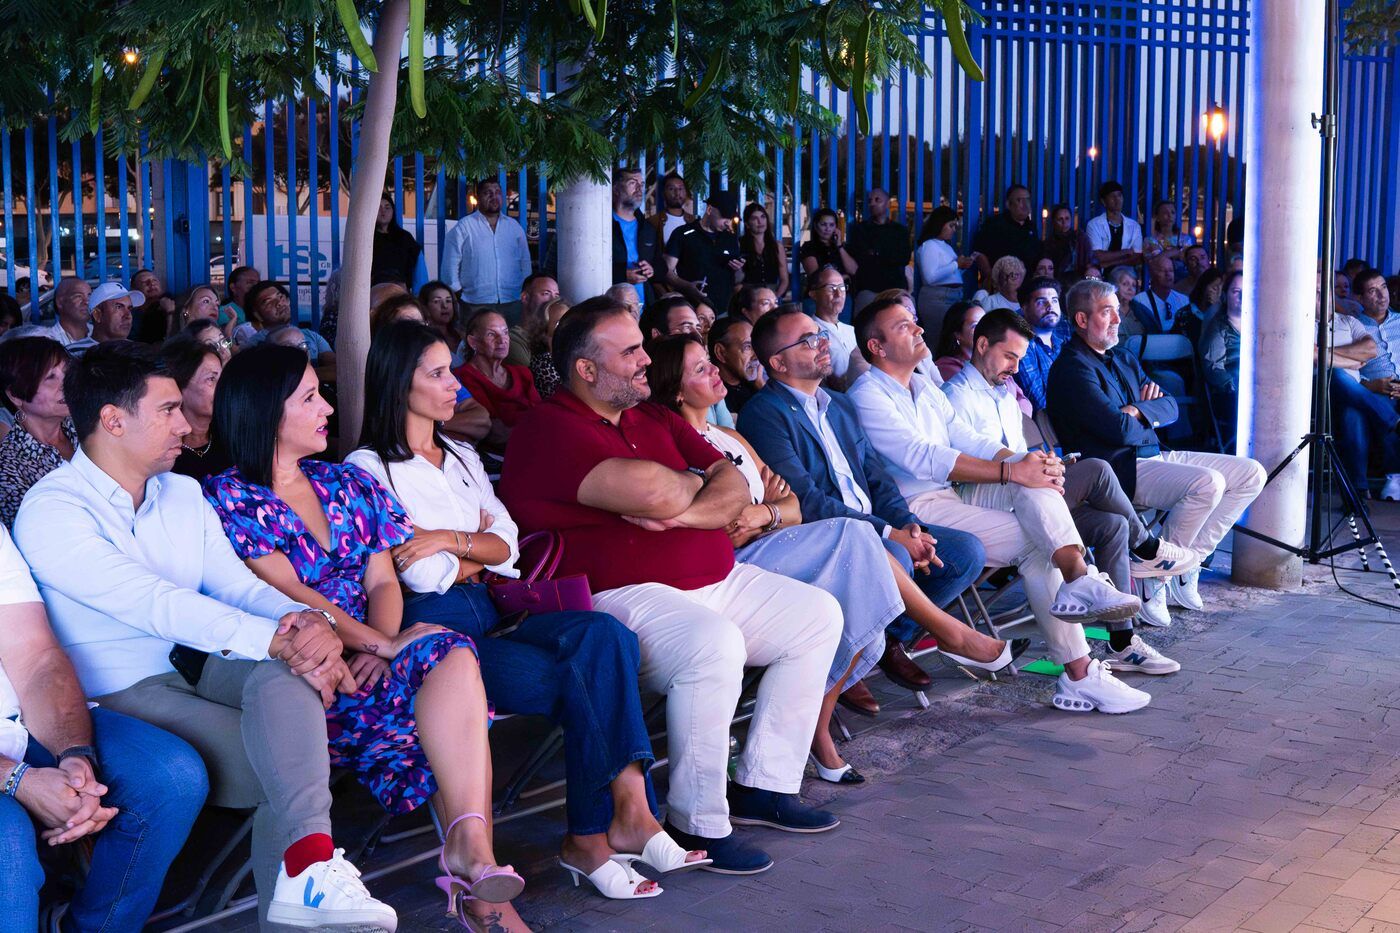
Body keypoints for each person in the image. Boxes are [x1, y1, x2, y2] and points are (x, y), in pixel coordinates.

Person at [12, 342, 397, 929]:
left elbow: (238, 586)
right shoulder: (53, 510)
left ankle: (310, 878)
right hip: (116, 691)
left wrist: (306, 625)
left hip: (198, 666)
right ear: (113, 420)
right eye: (168, 410)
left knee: (284, 693)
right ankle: (307, 883)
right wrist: (281, 639)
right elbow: (154, 604)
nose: (188, 423)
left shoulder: (183, 493)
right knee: (287, 764)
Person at [347, 321, 705, 900]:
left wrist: (447, 540)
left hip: (500, 609)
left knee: (604, 635)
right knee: (582, 678)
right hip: (442, 632)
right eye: (437, 374)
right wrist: (468, 545)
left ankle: (617, 822)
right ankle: (598, 836)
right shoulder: (369, 468)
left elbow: (511, 546)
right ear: (397, 384)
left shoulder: (461, 455)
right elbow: (417, 571)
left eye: (450, 372)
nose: (453, 387)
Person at [499, 296, 844, 876]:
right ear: (586, 370)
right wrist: (688, 486)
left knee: (816, 615)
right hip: (617, 597)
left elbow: (730, 478)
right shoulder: (548, 428)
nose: (643, 361)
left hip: (714, 577)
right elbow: (656, 492)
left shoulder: (650, 416)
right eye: (629, 351)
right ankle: (696, 818)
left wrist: (685, 510)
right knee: (713, 644)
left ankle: (763, 783)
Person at [205, 344, 529, 930]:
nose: (327, 406)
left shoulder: (345, 482)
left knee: (451, 652)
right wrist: (376, 646)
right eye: (309, 397)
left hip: (370, 656)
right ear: (263, 412)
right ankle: (485, 898)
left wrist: (384, 645)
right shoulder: (229, 496)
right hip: (310, 672)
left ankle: (472, 851)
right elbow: (290, 595)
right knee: (442, 706)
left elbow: (382, 577)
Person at [646, 334, 1012, 781]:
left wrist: (763, 512)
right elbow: (723, 524)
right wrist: (766, 514)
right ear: (676, 389)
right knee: (858, 540)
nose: (716, 371)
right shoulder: (670, 441)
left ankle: (819, 731)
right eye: (701, 368)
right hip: (739, 567)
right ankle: (950, 635)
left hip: (778, 544)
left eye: (710, 363)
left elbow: (792, 506)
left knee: (857, 593)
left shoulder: (729, 435)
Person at [849, 298, 1153, 714]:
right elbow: (921, 456)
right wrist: (1013, 472)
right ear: (877, 347)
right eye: (904, 327)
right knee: (1035, 529)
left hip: (950, 494)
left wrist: (1024, 463)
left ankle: (1080, 597)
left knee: (1038, 485)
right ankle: (1080, 667)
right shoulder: (866, 394)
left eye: (915, 322)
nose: (919, 330)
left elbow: (965, 439)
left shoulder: (923, 385)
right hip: (911, 508)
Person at [739, 307, 991, 700]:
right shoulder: (765, 413)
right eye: (807, 341)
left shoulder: (839, 403)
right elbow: (807, 500)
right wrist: (891, 534)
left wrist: (911, 526)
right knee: (897, 554)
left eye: (821, 336)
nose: (822, 345)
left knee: (966, 551)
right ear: (778, 362)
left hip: (873, 522)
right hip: (823, 535)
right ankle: (853, 659)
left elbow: (877, 477)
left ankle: (879, 644)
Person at [943, 308, 1193, 665]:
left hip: (1028, 494)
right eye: (1010, 356)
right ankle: (1149, 547)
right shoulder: (955, 395)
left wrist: (1049, 467)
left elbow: (1020, 457)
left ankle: (1123, 642)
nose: (1015, 368)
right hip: (984, 501)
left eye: (1019, 359)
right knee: (1096, 469)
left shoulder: (1003, 394)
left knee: (1112, 525)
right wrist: (1033, 468)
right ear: (982, 345)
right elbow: (967, 462)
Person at [0, 523, 208, 932]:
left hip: (20, 718)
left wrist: (76, 755)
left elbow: (35, 654)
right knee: (6, 845)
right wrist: (16, 778)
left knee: (170, 778)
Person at [1047, 278, 1267, 617]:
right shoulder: (1072, 369)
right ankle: (1156, 573)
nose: (1119, 320)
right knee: (1208, 483)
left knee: (1251, 473)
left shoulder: (1122, 357)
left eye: (1118, 311)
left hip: (1154, 453)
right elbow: (1117, 430)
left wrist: (1136, 409)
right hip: (1120, 469)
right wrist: (1140, 414)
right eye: (1108, 313)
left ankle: (1185, 565)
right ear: (1081, 320)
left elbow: (1171, 407)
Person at [0, 338, 76, 528]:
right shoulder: (9, 468)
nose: (66, 383)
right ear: (15, 395)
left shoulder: (87, 425)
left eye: (66, 372)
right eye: (51, 377)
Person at [441, 178, 533, 324]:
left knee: (512, 344)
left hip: (512, 301)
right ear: (477, 197)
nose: (493, 197)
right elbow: (450, 264)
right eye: (487, 193)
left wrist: (525, 290)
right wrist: (459, 293)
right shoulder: (464, 227)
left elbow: (525, 262)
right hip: (475, 303)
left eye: (497, 192)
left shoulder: (514, 228)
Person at [453, 310, 541, 455]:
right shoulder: (463, 378)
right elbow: (495, 433)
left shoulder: (522, 373)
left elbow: (540, 415)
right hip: (500, 457)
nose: (502, 340)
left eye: (505, 332)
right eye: (491, 334)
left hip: (536, 445)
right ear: (473, 342)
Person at [1346, 268, 1400, 499]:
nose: (1382, 295)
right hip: (1374, 390)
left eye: (1384, 287)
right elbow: (1346, 368)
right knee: (1352, 415)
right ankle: (1364, 488)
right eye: (1372, 291)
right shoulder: (1353, 325)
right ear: (1359, 298)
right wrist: (1371, 385)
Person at [160, 333, 232, 481]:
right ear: (179, 387)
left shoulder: (232, 437)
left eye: (222, 378)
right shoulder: (163, 454)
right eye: (211, 379)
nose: (223, 387)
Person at [236, 281, 336, 381]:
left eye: (280, 297)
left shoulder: (311, 335)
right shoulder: (254, 344)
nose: (279, 303)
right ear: (257, 314)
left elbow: (338, 369)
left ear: (288, 300)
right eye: (268, 302)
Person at [663, 189, 744, 307]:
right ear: (710, 209)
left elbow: (738, 279)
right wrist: (687, 286)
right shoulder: (682, 234)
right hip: (692, 307)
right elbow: (666, 271)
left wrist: (739, 269)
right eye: (724, 217)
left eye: (731, 218)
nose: (728, 222)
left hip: (723, 309)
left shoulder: (730, 239)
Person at [914, 205, 977, 337]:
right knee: (938, 340)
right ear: (940, 224)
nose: (954, 230)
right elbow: (930, 277)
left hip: (952, 296)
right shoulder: (929, 245)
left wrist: (963, 267)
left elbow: (951, 276)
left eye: (955, 226)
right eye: (951, 225)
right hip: (938, 298)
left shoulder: (946, 246)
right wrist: (956, 264)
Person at [846, 189, 912, 312]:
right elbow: (860, 258)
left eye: (877, 200)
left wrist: (876, 253)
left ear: (887, 203)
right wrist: (887, 254)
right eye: (870, 201)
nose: (872, 204)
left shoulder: (899, 230)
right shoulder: (860, 230)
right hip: (868, 290)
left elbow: (904, 258)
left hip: (895, 290)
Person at [1013, 276, 1068, 414]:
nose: (1050, 307)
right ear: (1024, 308)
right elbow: (1040, 403)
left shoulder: (1066, 337)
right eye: (1041, 302)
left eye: (1054, 301)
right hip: (1053, 427)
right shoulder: (1022, 346)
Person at [1199, 270, 1243, 442]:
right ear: (1225, 296)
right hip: (1230, 393)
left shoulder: (1259, 326)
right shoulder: (1218, 327)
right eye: (1236, 291)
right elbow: (1213, 368)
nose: (1242, 296)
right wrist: (1235, 385)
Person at [808, 266, 864, 386]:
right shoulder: (810, 333)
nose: (838, 294)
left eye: (842, 288)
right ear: (813, 294)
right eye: (831, 288)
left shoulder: (852, 331)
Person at [612, 167, 659, 307]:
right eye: (633, 183)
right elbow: (591, 267)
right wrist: (622, 275)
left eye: (642, 184)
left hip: (644, 306)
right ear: (615, 189)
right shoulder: (603, 225)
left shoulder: (647, 228)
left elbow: (661, 264)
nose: (639, 189)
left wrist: (652, 269)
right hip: (612, 305)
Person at [971, 184, 1043, 268]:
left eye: (1027, 200)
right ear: (1008, 204)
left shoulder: (1031, 227)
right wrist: (990, 276)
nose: (1025, 205)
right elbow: (979, 253)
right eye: (1019, 200)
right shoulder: (995, 225)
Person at [709, 316, 765, 414]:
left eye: (755, 346)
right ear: (721, 352)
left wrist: (760, 384)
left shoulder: (755, 386)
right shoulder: (714, 399)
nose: (756, 356)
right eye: (747, 347)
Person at [506, 274, 562, 368]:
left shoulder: (558, 333)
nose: (553, 300)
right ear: (525, 297)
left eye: (556, 295)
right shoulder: (513, 340)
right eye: (546, 293)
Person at [1131, 250, 1191, 335]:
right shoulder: (1139, 301)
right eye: (1162, 270)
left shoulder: (1184, 300)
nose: (1168, 274)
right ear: (1152, 274)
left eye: (1170, 270)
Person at [1086, 181, 1143, 269]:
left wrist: (1108, 263)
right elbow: (1097, 256)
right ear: (1103, 201)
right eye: (1112, 196)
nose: (1117, 200)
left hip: (1126, 275)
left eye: (1119, 195)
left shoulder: (1134, 226)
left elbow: (1137, 257)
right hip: (1101, 276)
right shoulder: (1094, 225)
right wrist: (1125, 252)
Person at [370, 194, 423, 288]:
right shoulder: (367, 238)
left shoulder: (404, 238)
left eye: (387, 207)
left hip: (401, 293)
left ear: (393, 211)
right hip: (374, 293)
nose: (383, 211)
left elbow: (419, 269)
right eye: (378, 207)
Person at [739, 202, 789, 298]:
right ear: (747, 224)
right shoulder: (740, 244)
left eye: (763, 217)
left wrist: (774, 298)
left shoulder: (777, 246)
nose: (760, 221)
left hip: (771, 293)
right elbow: (737, 280)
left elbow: (784, 280)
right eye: (754, 218)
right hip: (748, 294)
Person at [798, 208, 858, 285]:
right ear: (816, 226)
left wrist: (839, 246)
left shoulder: (842, 247)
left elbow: (853, 270)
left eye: (831, 225)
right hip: (821, 293)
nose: (828, 229)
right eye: (823, 224)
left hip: (844, 292)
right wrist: (844, 277)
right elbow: (816, 278)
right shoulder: (809, 247)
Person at [933, 299, 986, 382]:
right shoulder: (948, 368)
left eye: (986, 323)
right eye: (975, 326)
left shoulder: (990, 360)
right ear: (958, 334)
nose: (985, 330)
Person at [529, 298, 570, 400]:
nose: (567, 326)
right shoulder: (542, 364)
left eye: (569, 320)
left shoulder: (573, 355)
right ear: (544, 328)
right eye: (558, 323)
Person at [1042, 203, 1094, 284]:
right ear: (1053, 221)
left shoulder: (1080, 238)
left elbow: (1089, 262)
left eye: (1067, 219)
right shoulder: (1048, 243)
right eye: (1060, 219)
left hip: (1078, 282)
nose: (1064, 222)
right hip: (1057, 282)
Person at [1144, 200, 1195, 276]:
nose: (1170, 215)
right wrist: (1176, 252)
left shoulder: (1185, 239)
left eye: (1172, 212)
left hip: (1183, 280)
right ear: (1157, 217)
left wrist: (1164, 254)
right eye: (1165, 213)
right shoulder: (1150, 240)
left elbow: (1189, 259)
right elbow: (1155, 262)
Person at [646, 171, 697, 248]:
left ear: (685, 192)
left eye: (680, 188)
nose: (677, 193)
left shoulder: (694, 222)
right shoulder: (653, 222)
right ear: (663, 193)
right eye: (671, 189)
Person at [420, 279, 465, 364]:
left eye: (448, 301)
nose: (445, 306)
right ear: (425, 308)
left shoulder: (462, 334)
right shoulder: (423, 338)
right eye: (437, 301)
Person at [87, 281, 140, 350]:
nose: (128, 315)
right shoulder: (73, 354)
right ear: (97, 315)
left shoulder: (138, 349)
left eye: (129, 308)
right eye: (119, 307)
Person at [131, 269, 177, 343]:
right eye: (144, 282)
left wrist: (170, 312)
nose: (151, 284)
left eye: (154, 280)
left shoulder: (174, 304)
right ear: (135, 289)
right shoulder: (131, 315)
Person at [220, 264, 260, 330]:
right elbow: (226, 339)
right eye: (250, 282)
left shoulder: (260, 310)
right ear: (233, 288)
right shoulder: (223, 313)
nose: (256, 287)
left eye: (258, 283)